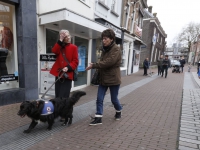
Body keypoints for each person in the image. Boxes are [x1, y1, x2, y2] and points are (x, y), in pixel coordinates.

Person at [85, 29, 122, 125]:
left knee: (114, 100)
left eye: (105, 39)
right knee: (99, 98)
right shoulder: (104, 49)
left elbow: (109, 62)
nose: (103, 41)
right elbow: (102, 62)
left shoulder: (116, 49)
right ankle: (98, 117)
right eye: (102, 39)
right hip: (103, 78)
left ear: (111, 39)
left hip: (113, 78)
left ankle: (118, 110)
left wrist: (94, 65)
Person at [50, 29, 78, 121]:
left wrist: (68, 67)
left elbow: (75, 61)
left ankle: (66, 114)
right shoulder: (59, 46)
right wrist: (60, 40)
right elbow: (54, 51)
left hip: (67, 75)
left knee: (65, 96)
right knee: (58, 96)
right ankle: (58, 112)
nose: (68, 38)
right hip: (59, 74)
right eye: (65, 36)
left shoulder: (74, 47)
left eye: (68, 36)